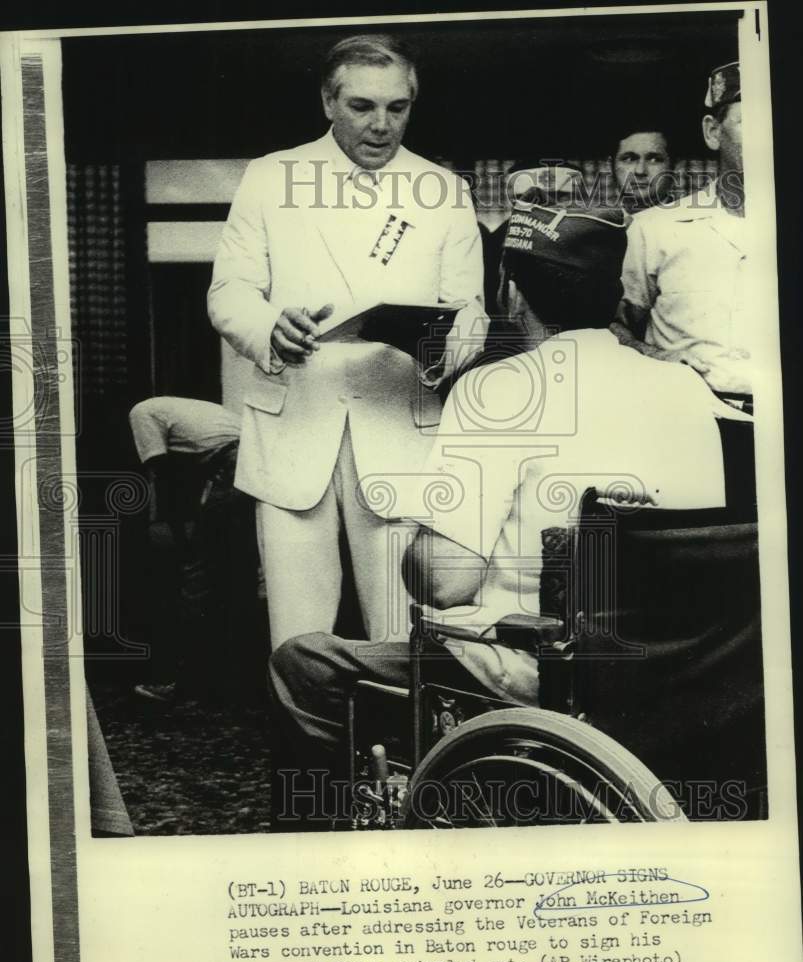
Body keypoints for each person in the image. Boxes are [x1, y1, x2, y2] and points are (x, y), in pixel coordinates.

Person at [267, 166, 752, 830]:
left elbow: (445, 585)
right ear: (614, 296)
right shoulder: (689, 389)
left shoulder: (499, 390)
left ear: (511, 293)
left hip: (543, 671)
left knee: (303, 662)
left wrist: (421, 526)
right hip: (683, 674)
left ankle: (326, 845)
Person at [207, 34, 486, 649]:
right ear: (328, 102)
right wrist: (269, 328)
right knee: (296, 641)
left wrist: (452, 342)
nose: (381, 125)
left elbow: (469, 310)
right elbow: (228, 293)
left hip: (399, 431)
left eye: (397, 107)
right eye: (362, 106)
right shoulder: (271, 177)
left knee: (402, 641)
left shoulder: (444, 190)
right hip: (292, 429)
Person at [611, 61, 751, 397]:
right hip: (688, 412)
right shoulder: (653, 229)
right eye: (751, 122)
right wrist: (659, 357)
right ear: (713, 132)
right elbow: (612, 329)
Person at [128, 397, 264, 703]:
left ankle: (185, 684)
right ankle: (241, 683)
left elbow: (162, 474)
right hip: (259, 457)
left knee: (198, 577)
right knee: (238, 571)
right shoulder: (178, 409)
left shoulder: (140, 413)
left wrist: (180, 538)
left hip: (234, 464)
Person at [610, 126, 674, 215]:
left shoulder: (690, 221)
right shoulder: (595, 222)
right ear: (611, 166)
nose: (640, 171)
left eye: (654, 160)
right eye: (629, 159)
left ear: (675, 167)